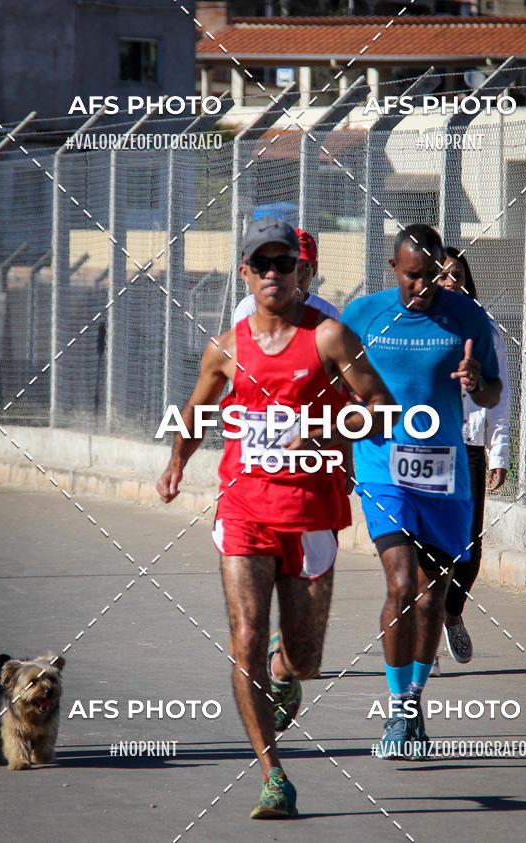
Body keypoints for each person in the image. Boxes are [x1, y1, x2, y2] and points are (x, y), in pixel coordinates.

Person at [157, 216, 394, 817]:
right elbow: (195, 411)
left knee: (307, 657)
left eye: (282, 263)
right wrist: (176, 462)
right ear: (245, 273)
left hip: (312, 510)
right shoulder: (227, 348)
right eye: (260, 264)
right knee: (244, 635)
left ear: (299, 270)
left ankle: (285, 672)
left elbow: (384, 411)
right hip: (244, 509)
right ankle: (273, 776)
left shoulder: (329, 338)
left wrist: (327, 426)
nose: (272, 274)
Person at [341, 224, 502, 759]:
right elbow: (332, 386)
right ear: (394, 269)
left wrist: (477, 381)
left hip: (443, 471)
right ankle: (396, 710)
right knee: (401, 581)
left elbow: (494, 388)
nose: (423, 286)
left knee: (432, 595)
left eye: (432, 275)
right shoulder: (363, 315)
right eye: (413, 275)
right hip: (383, 467)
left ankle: (412, 707)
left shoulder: (465, 315)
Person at [430, 246, 510, 672]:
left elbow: (500, 395)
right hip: (426, 446)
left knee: (468, 550)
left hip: (469, 447)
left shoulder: (486, 330)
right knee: (427, 547)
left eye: (457, 274)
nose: (450, 282)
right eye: (442, 275)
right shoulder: (418, 327)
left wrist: (499, 451)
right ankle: (423, 642)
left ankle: (451, 611)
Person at [232, 227, 340, 324]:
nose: (297, 275)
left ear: (315, 269)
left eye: (304, 267)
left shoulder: (329, 314)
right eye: (290, 266)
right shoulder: (250, 307)